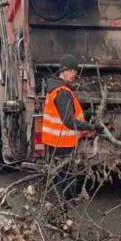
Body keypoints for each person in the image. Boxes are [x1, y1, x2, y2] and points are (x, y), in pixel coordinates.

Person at [41, 54, 98, 198]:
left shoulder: (56, 88)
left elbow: (67, 113)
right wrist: (90, 127)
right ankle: (65, 210)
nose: (74, 74)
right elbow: (68, 121)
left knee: (61, 177)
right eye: (70, 70)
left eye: (75, 71)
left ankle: (61, 211)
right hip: (63, 143)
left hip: (56, 141)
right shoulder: (62, 92)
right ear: (62, 70)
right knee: (67, 179)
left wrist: (87, 112)